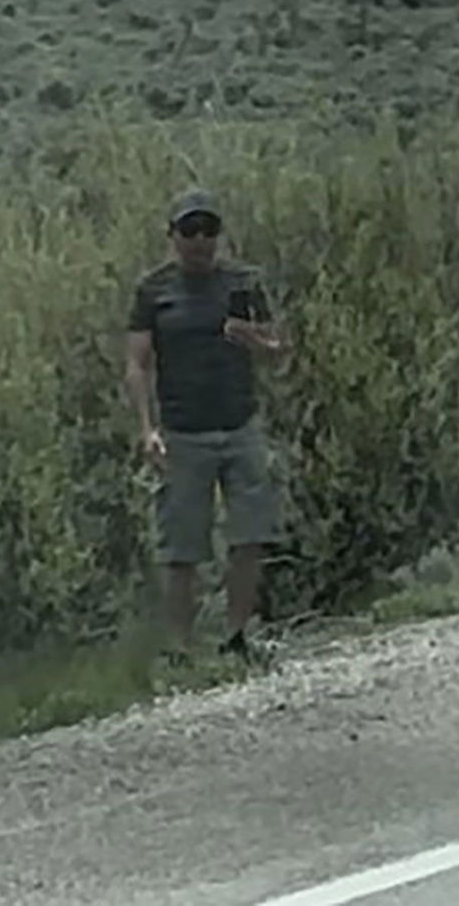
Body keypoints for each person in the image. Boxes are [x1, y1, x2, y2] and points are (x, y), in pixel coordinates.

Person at [124, 187, 287, 663]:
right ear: (172, 235)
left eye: (208, 230)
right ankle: (179, 648)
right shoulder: (154, 290)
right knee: (181, 544)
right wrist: (146, 427)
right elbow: (137, 364)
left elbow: (280, 351)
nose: (200, 240)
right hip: (183, 431)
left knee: (250, 535)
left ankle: (236, 637)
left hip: (239, 425)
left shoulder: (242, 282)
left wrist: (254, 339)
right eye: (190, 230)